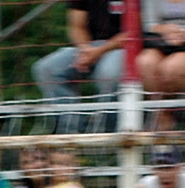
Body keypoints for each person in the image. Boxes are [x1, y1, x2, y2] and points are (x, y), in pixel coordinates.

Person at [31, 0, 126, 131]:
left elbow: (134, 31)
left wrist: (98, 51)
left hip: (123, 47)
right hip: (89, 47)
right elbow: (76, 26)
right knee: (47, 69)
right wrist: (85, 50)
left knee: (109, 74)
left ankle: (107, 134)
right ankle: (70, 134)